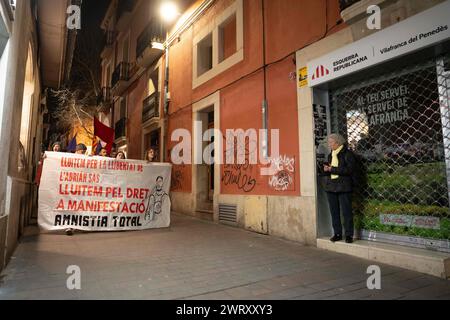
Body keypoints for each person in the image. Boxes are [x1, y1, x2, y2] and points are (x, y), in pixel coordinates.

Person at [323, 134, 356, 244]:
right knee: (334, 212)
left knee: (346, 212)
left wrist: (332, 169)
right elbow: (331, 170)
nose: (329, 144)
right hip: (331, 186)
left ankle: (349, 235)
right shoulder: (330, 155)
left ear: (338, 143)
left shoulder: (348, 154)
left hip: (344, 186)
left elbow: (349, 170)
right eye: (329, 142)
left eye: (331, 142)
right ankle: (337, 234)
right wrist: (327, 169)